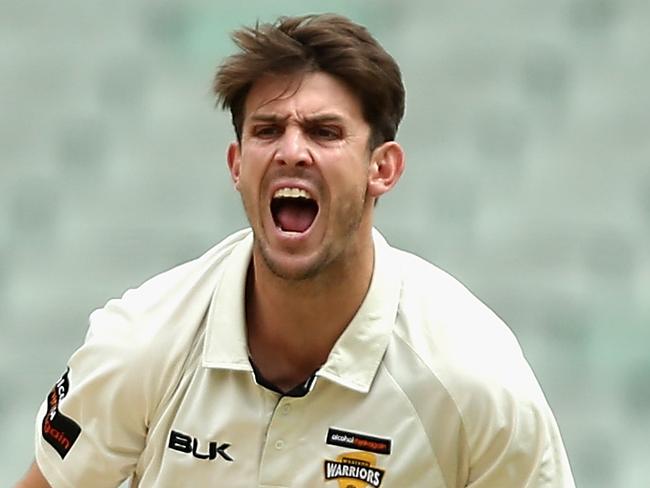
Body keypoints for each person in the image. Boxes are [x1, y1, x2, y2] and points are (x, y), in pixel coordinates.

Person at [17, 13, 575, 488]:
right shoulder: (142, 341)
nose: (291, 151)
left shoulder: (475, 378)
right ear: (237, 165)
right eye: (267, 130)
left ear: (383, 169)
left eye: (324, 132)